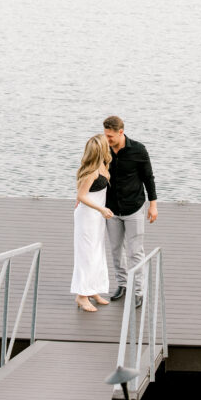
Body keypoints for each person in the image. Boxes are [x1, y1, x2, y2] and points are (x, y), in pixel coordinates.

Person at [103, 116, 157, 308]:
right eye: (105, 135)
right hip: (112, 210)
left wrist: (153, 204)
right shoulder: (104, 150)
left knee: (136, 251)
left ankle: (139, 291)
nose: (107, 139)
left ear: (120, 132)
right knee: (116, 250)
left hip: (134, 207)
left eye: (110, 136)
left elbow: (148, 177)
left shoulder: (138, 150)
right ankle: (122, 284)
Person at [71, 134, 114, 312]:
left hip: (96, 217)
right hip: (88, 217)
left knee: (97, 252)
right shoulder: (92, 172)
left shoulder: (103, 165)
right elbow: (81, 196)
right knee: (87, 255)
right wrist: (101, 209)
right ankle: (82, 295)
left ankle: (93, 290)